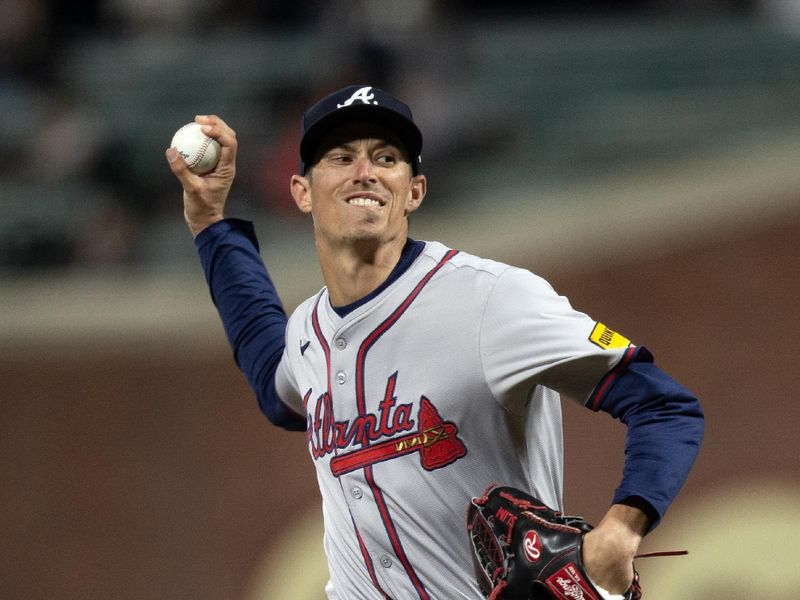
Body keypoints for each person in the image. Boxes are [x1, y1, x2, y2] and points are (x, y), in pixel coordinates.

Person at [166, 85, 704, 600]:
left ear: (414, 191)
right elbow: (273, 380)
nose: (364, 172)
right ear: (301, 191)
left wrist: (621, 529)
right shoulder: (308, 329)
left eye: (386, 157)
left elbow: (663, 405)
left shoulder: (492, 299)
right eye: (340, 156)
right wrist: (210, 222)